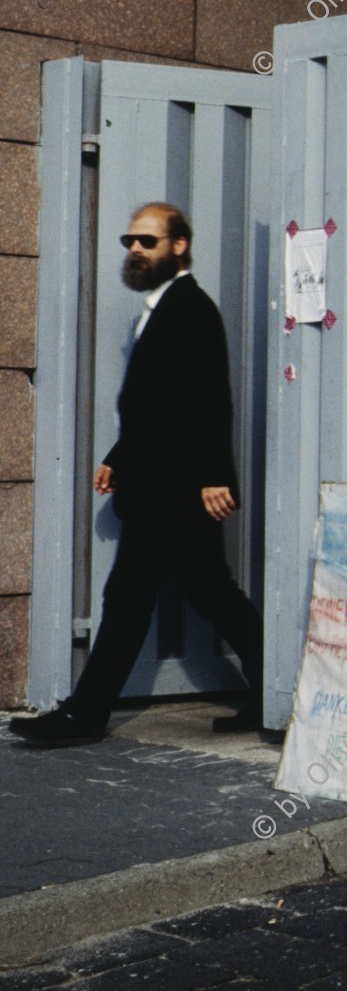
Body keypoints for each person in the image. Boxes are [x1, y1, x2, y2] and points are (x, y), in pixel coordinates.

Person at [10, 203, 263, 746]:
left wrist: (215, 475)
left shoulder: (191, 308)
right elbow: (157, 406)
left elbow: (208, 399)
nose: (135, 250)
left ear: (178, 245)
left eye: (147, 241)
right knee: (210, 593)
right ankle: (276, 693)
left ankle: (86, 715)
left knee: (130, 598)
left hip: (176, 491)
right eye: (130, 241)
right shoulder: (160, 308)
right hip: (158, 484)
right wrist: (119, 457)